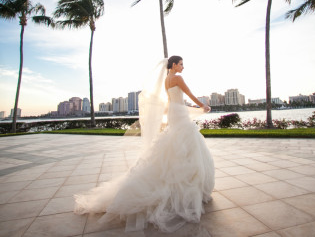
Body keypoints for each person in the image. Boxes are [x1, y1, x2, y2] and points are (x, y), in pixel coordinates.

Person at [74, 56, 215, 233]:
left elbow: (172, 101)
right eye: (181, 64)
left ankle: (182, 186)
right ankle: (189, 188)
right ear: (173, 64)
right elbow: (189, 95)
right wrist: (203, 106)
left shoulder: (166, 80)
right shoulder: (178, 78)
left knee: (176, 144)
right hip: (179, 114)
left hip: (173, 113)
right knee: (188, 146)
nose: (183, 67)